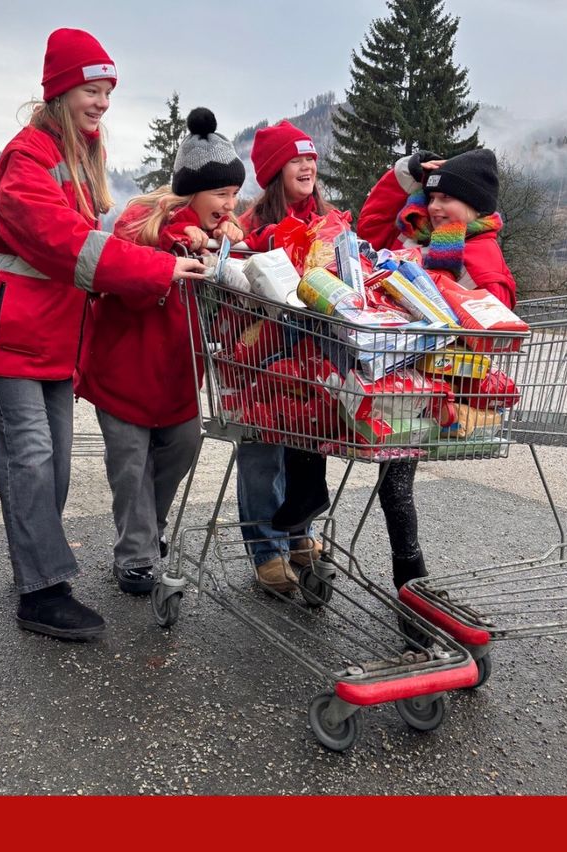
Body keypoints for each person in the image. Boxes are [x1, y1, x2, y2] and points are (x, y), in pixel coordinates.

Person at [0, 28, 205, 641]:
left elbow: (100, 241)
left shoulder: (79, 158)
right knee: (30, 457)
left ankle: (35, 566)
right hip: (6, 329)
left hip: (51, 335)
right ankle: (42, 591)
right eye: (92, 90)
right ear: (61, 91)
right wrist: (159, 268)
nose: (102, 103)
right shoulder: (28, 158)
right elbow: (67, 244)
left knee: (54, 462)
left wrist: (164, 242)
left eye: (108, 92)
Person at [74, 108, 245, 595]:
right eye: (221, 194)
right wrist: (177, 244)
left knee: (184, 445)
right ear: (192, 191)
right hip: (123, 372)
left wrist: (227, 251)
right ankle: (135, 557)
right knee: (130, 465)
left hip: (176, 377)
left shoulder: (217, 239)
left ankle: (149, 533)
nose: (230, 205)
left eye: (235, 194)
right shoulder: (143, 220)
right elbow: (127, 261)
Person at [356, 147, 517, 589]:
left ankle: (412, 582)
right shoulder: (421, 240)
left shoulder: (478, 249)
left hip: (440, 385)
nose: (437, 206)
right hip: (404, 376)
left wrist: (432, 286)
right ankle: (411, 583)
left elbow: (498, 313)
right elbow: (367, 232)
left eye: (449, 197)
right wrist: (400, 177)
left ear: (477, 205)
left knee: (394, 485)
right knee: (392, 482)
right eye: (432, 198)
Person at [232, 121, 334, 594]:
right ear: (276, 171)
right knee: (262, 454)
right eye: (297, 159)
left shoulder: (329, 223)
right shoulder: (250, 226)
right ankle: (267, 550)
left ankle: (300, 532)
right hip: (261, 357)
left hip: (312, 362)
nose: (308, 165)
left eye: (311, 158)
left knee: (306, 448)